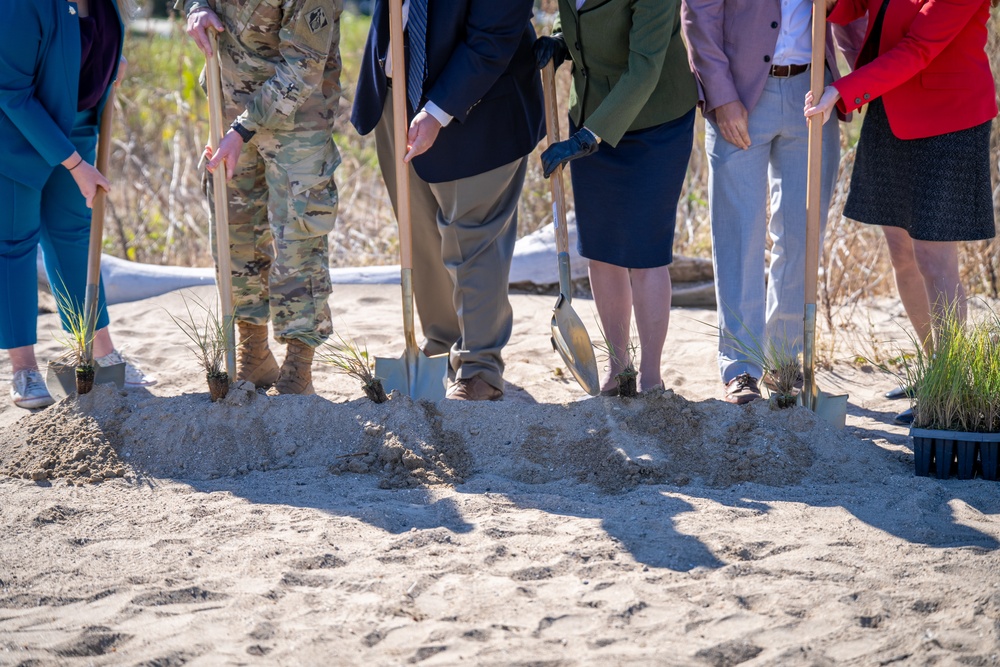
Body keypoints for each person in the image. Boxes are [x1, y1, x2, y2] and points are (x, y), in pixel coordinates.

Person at [805, 0, 998, 424]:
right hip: (892, 108)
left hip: (949, 119)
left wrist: (843, 87)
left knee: (934, 257)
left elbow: (918, 48)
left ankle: (951, 384)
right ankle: (934, 369)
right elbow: (847, 8)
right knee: (902, 253)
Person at [351, 0, 545, 401]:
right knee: (421, 232)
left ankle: (479, 368)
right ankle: (442, 344)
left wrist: (437, 112)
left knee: (472, 238)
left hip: (476, 105)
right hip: (396, 95)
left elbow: (493, 35)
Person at [681, 1, 865, 404]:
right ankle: (741, 366)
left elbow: (851, 11)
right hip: (741, 93)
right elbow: (698, 17)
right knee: (739, 235)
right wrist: (721, 95)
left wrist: (863, 73)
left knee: (802, 234)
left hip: (813, 92)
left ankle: (784, 360)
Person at [179, 0, 343, 395]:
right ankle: (254, 353)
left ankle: (298, 369)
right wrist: (196, 8)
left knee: (298, 241)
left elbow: (303, 67)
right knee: (236, 233)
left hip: (296, 121)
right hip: (229, 106)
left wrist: (242, 129)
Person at [535, 0, 697, 396]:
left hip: (655, 122)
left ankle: (652, 378)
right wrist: (560, 39)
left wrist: (588, 138)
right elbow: (573, 15)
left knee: (645, 250)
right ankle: (618, 368)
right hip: (590, 110)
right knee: (601, 248)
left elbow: (644, 68)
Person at [0, 0, 157, 410]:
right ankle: (24, 369)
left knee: (74, 239)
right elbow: (10, 91)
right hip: (17, 138)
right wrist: (73, 163)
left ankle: (100, 352)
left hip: (79, 131)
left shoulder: (104, 2)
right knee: (14, 246)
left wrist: (110, 64)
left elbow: (85, 48)